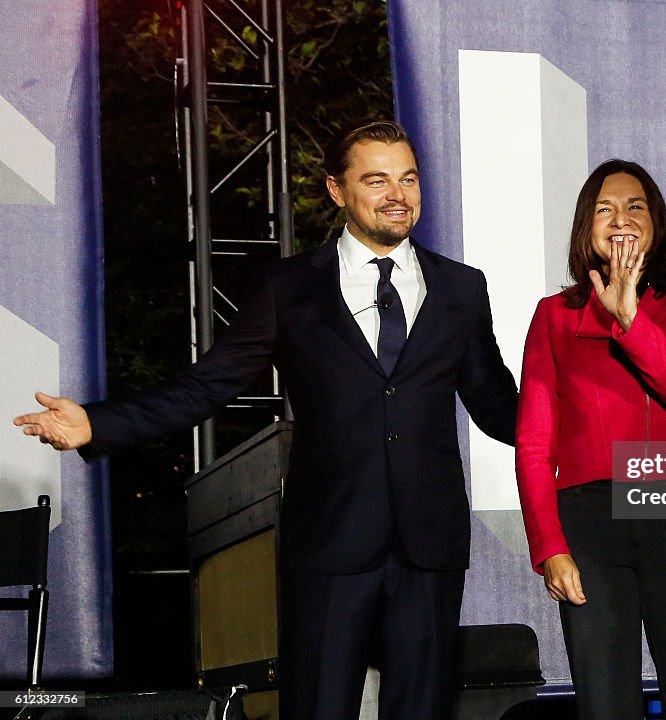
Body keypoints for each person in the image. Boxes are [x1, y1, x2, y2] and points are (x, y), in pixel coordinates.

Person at [13, 120, 519, 720]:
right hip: (330, 539)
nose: (397, 194)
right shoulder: (289, 288)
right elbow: (209, 384)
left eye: (408, 178)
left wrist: (589, 424)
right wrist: (98, 425)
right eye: (376, 179)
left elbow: (496, 405)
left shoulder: (462, 288)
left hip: (429, 543)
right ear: (337, 190)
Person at [516, 159, 666, 720]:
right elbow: (535, 444)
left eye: (636, 206)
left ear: (656, 222)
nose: (621, 219)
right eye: (604, 209)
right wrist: (550, 548)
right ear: (586, 226)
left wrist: (631, 319)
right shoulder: (554, 316)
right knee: (604, 703)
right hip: (587, 526)